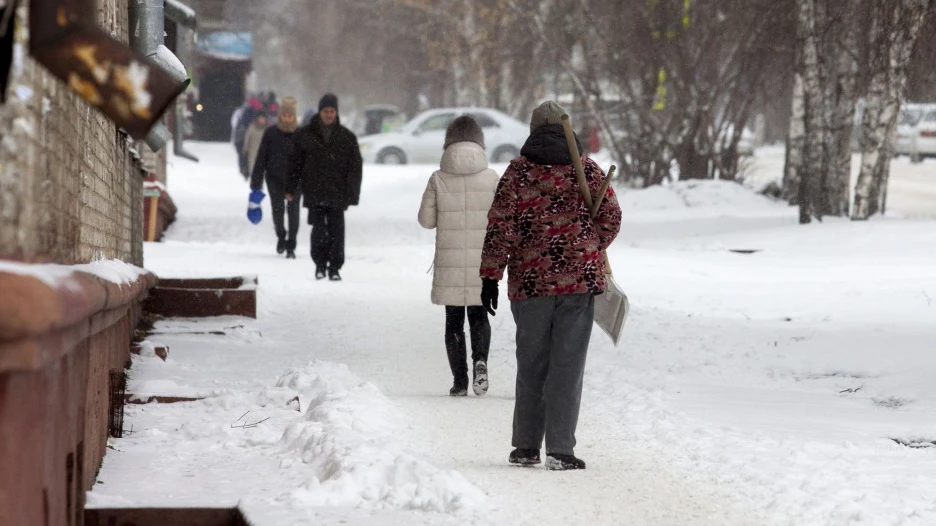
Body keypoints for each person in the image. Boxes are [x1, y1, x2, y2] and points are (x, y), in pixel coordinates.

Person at [480, 101, 622, 471]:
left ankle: (526, 447)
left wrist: (490, 277)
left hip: (530, 284)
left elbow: (500, 227)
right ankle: (560, 449)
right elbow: (610, 217)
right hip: (578, 285)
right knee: (567, 366)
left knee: (532, 364)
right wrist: (587, 248)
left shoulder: (518, 173)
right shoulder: (586, 170)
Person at [418, 116, 500, 397]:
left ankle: (459, 381)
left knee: (453, 320)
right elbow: (502, 220)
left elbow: (426, 220)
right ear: (479, 142)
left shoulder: (438, 178)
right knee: (478, 314)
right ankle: (481, 361)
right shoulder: (491, 178)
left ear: (448, 142)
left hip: (449, 263)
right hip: (481, 262)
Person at [285, 94, 363, 281]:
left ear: (336, 113)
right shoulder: (304, 135)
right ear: (320, 112)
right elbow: (294, 163)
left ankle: (335, 267)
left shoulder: (346, 137)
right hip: (314, 190)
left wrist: (352, 193)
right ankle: (320, 264)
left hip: (338, 192)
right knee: (318, 230)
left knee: (337, 231)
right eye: (325, 111)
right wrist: (290, 187)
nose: (329, 115)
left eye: (332, 111)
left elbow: (355, 167)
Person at [250, 97, 302, 258]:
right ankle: (281, 235)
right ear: (280, 116)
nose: (287, 119)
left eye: (290, 116)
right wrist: (256, 181)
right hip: (274, 178)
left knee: (293, 211)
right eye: (284, 116)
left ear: (294, 117)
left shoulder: (301, 134)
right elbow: (262, 158)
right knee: (278, 210)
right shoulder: (271, 133)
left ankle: (291, 243)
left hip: (296, 179)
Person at [242, 110, 268, 180]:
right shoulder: (252, 127)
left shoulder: (268, 129)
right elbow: (247, 139)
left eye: (263, 118)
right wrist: (246, 150)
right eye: (260, 118)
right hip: (252, 152)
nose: (261, 120)